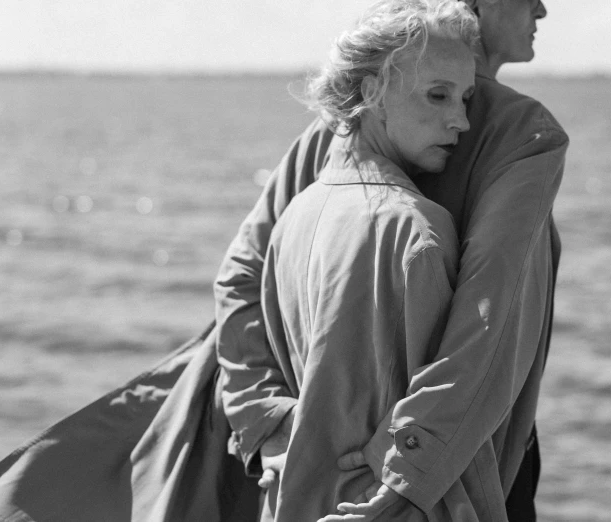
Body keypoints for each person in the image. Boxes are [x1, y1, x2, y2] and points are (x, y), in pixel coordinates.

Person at [214, 0, 567, 520]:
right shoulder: (526, 136)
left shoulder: (337, 130)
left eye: (464, 97)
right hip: (451, 470)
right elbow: (490, 322)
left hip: (315, 474)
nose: (543, 7)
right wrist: (406, 478)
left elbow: (244, 276)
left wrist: (266, 418)